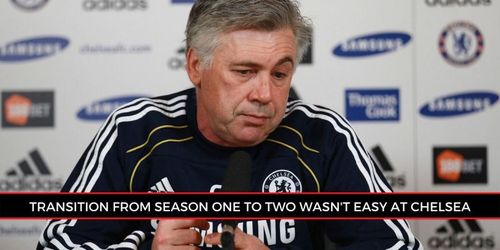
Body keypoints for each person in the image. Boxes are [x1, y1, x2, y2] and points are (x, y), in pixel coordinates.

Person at [37, 0, 422, 249]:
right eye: (244, 71)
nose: (265, 95)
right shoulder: (135, 133)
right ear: (195, 67)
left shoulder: (322, 136)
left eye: (279, 74)